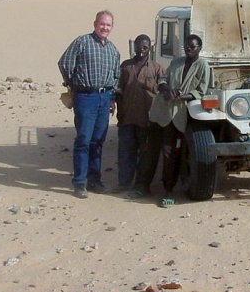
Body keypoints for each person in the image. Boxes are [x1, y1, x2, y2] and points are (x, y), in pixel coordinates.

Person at [132, 34, 212, 207]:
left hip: (178, 115)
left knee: (170, 154)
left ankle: (168, 191)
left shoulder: (203, 65)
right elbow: (162, 79)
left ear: (200, 48)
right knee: (150, 150)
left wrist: (181, 95)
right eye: (187, 46)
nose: (189, 49)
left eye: (193, 47)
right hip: (160, 111)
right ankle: (142, 186)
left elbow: (202, 90)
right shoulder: (176, 62)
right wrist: (166, 89)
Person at [58, 10, 120, 199]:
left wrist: (111, 99)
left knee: (98, 141)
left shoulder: (113, 50)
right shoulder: (82, 42)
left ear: (112, 27)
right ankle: (79, 182)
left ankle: (95, 179)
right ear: (95, 24)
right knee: (83, 139)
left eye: (108, 25)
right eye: (102, 24)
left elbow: (116, 76)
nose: (105, 28)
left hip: (104, 98)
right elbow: (64, 63)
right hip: (85, 97)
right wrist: (73, 85)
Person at [114, 34, 164, 192]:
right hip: (127, 117)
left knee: (146, 154)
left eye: (145, 47)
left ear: (150, 48)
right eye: (138, 46)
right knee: (125, 152)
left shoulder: (157, 69)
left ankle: (142, 185)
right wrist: (119, 110)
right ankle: (124, 183)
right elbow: (118, 91)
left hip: (147, 119)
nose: (141, 50)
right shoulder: (125, 66)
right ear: (133, 47)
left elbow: (162, 93)